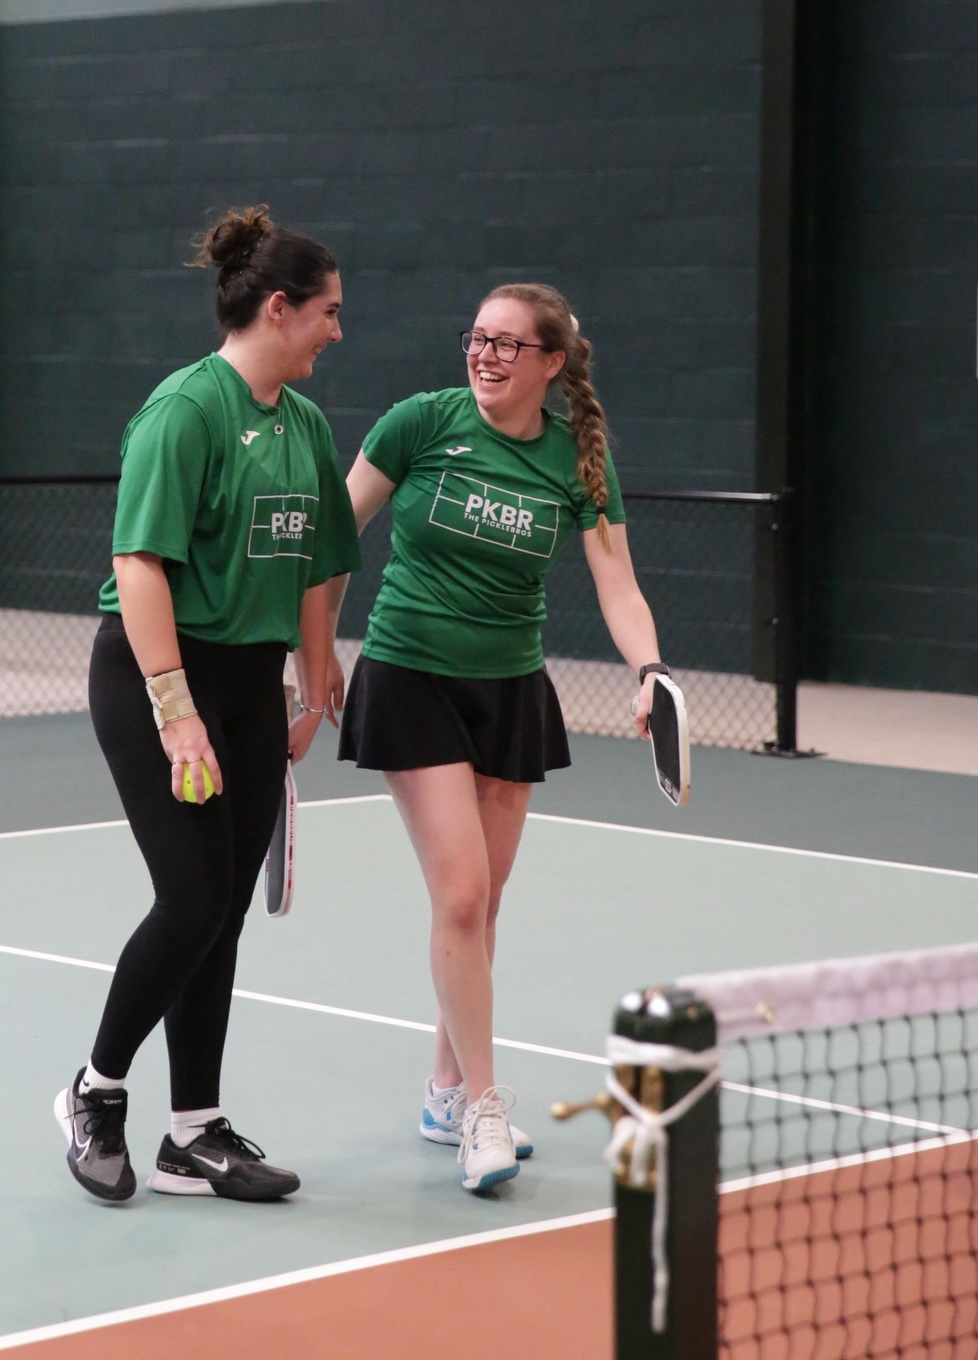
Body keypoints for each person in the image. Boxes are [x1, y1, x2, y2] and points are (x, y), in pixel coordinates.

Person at [333, 282, 666, 1194]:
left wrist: (650, 671)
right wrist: (306, 651)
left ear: (550, 364)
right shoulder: (419, 424)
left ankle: (444, 1090)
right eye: (476, 338)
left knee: (483, 903)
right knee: (464, 888)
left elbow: (618, 584)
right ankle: (484, 1107)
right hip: (410, 672)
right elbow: (334, 533)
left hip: (510, 687)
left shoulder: (576, 461)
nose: (485, 355)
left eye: (507, 344)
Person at [56, 206, 358, 1205]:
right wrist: (174, 710)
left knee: (223, 912)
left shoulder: (305, 424)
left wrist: (315, 681)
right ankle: (95, 1093)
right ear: (279, 309)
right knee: (190, 898)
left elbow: (321, 564)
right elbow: (138, 566)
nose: (337, 331)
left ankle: (194, 1132)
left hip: (247, 683)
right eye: (328, 312)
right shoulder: (184, 412)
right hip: (156, 678)